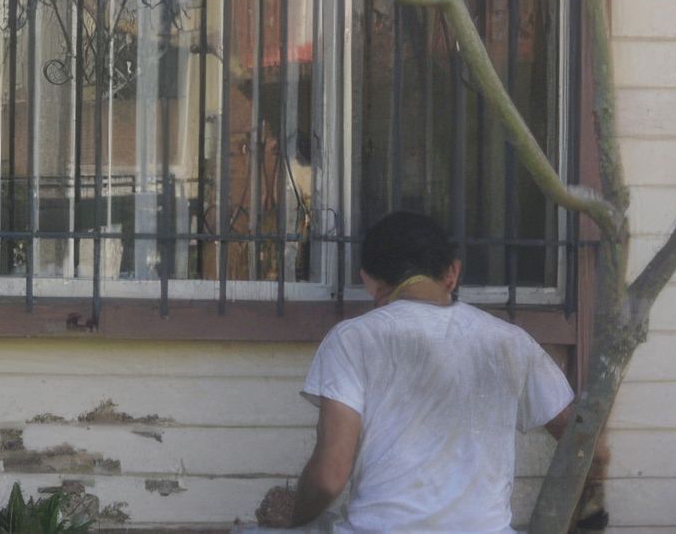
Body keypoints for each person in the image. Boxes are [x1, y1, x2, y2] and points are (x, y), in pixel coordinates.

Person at [251, 211, 606, 533]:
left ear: (369, 281)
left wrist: (292, 518)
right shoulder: (510, 343)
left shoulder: (354, 339)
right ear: (452, 272)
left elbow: (329, 477)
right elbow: (586, 443)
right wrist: (588, 506)